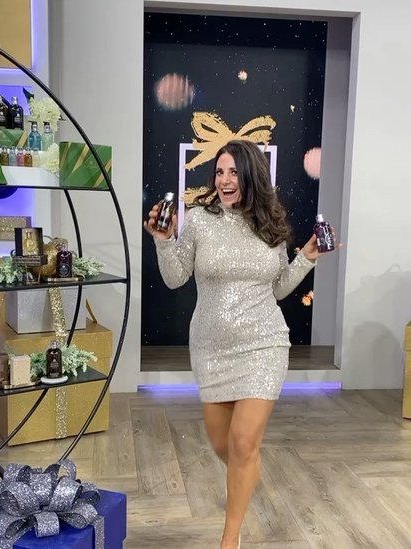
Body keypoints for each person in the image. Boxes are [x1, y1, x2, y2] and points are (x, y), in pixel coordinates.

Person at [144, 139, 339, 549]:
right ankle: (246, 471)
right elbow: (175, 278)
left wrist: (306, 256)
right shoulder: (199, 220)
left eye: (233, 172)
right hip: (211, 349)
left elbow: (280, 288)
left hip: (264, 344)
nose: (224, 180)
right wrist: (163, 240)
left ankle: (229, 539)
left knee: (243, 442)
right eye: (219, 172)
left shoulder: (270, 226)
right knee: (225, 446)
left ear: (251, 176)